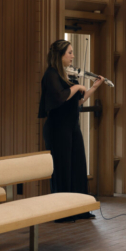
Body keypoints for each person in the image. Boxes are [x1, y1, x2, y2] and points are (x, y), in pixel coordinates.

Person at [38, 39, 104, 222]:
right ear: (60, 55)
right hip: (57, 129)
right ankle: (63, 212)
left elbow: (78, 101)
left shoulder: (66, 76)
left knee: (78, 167)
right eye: (70, 53)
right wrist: (76, 87)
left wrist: (93, 88)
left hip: (72, 127)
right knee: (62, 169)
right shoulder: (51, 74)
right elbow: (61, 97)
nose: (73, 56)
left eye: (73, 52)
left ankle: (80, 209)